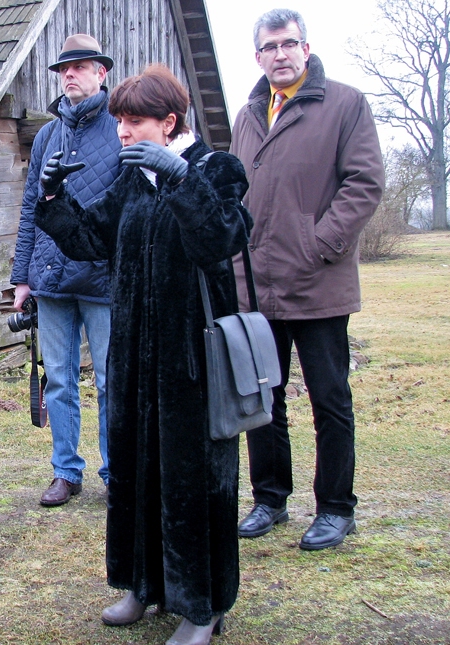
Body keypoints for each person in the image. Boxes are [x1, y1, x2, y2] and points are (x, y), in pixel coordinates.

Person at [35, 64, 252, 645]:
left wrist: (182, 179)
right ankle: (141, 584)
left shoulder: (217, 170)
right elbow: (88, 241)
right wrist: (53, 197)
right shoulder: (133, 182)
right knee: (133, 467)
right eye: (120, 122)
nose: (123, 133)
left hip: (192, 359)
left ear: (169, 122)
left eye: (133, 123)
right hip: (132, 354)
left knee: (194, 479)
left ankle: (202, 606)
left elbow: (221, 240)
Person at [230, 9, 384, 550]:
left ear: (305, 47)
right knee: (262, 401)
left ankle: (337, 509)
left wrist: (322, 244)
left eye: (288, 44)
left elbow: (364, 183)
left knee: (329, 399)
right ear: (257, 56)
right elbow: (235, 191)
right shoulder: (248, 114)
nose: (280, 54)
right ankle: (270, 499)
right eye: (269, 47)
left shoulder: (345, 103)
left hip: (318, 283)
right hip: (257, 285)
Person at [10, 34, 122, 506]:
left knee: (110, 380)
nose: (70, 74)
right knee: (58, 378)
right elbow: (31, 210)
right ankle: (65, 472)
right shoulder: (48, 135)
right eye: (64, 69)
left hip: (101, 279)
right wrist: (21, 276)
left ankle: (118, 473)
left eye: (80, 66)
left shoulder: (121, 128)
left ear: (102, 73)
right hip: (51, 279)